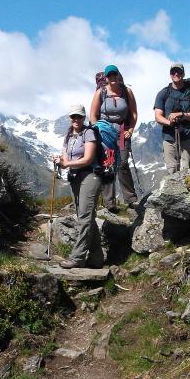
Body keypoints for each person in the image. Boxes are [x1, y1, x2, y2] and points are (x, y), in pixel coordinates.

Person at [52, 104, 105, 269]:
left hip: (91, 176)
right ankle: (96, 257)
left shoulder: (88, 133)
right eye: (73, 116)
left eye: (79, 116)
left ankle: (77, 257)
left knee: (84, 217)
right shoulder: (68, 136)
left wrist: (66, 163)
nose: (76, 119)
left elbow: (88, 159)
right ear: (70, 118)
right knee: (86, 217)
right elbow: (66, 158)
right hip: (75, 177)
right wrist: (61, 162)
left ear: (84, 118)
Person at [89, 64, 139, 211]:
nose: (112, 78)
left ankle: (131, 199)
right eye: (109, 75)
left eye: (114, 75)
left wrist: (130, 129)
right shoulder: (101, 92)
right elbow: (93, 115)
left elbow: (134, 113)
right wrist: (97, 130)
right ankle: (110, 203)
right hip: (105, 131)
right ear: (106, 77)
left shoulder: (126, 91)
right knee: (108, 164)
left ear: (118, 75)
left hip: (122, 130)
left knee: (122, 163)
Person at [153, 62, 190, 174]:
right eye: (173, 72)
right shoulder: (163, 93)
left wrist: (182, 114)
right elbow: (158, 116)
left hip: (189, 135)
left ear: (183, 73)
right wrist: (169, 122)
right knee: (172, 170)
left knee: (189, 171)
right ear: (170, 74)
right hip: (169, 137)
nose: (176, 74)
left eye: (179, 71)